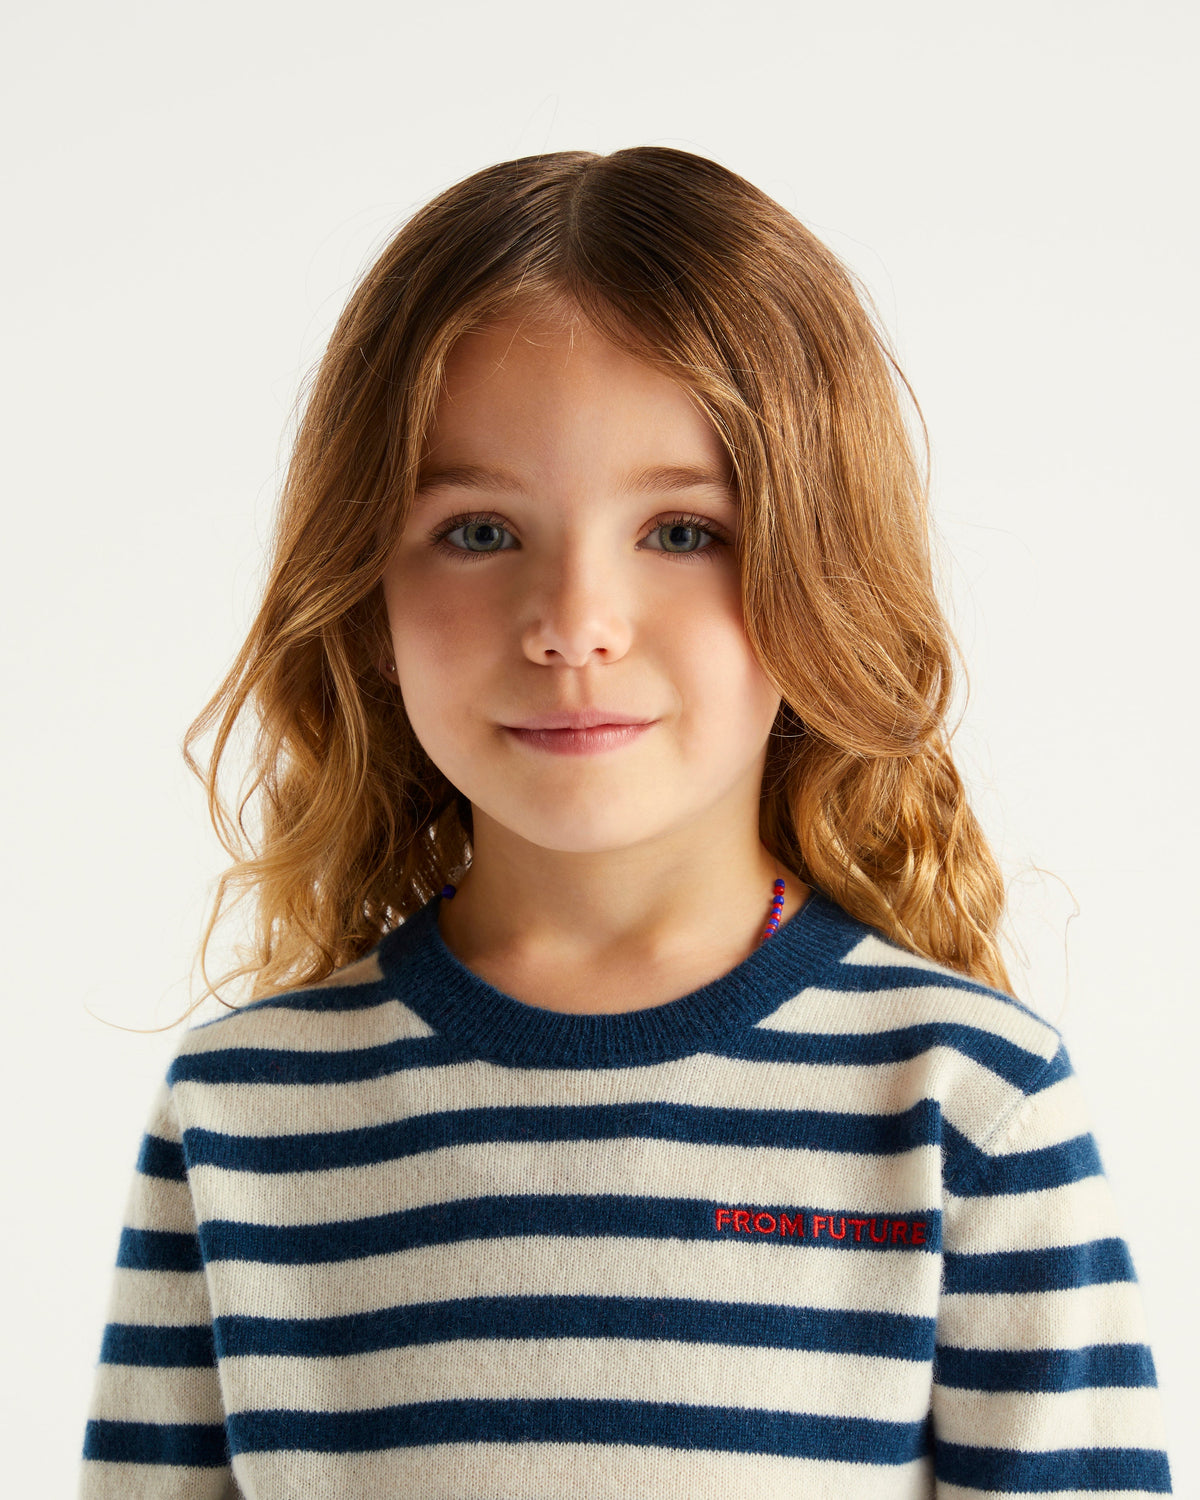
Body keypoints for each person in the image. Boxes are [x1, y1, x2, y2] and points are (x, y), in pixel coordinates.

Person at [78, 147, 1172, 1497]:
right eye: (480, 531)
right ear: (364, 593)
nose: (575, 626)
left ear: (822, 569)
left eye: (681, 532)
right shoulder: (241, 1116)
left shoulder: (967, 1104)